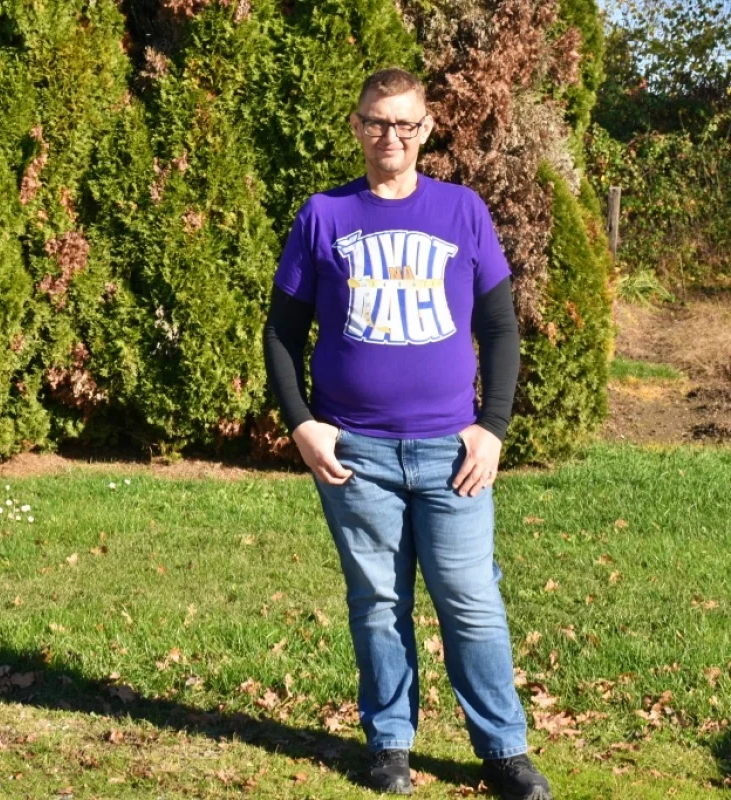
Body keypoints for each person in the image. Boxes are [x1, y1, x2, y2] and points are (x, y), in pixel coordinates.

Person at [262, 67, 552, 800]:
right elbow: (282, 332)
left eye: (404, 123)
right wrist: (302, 425)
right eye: (375, 121)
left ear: (425, 129)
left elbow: (500, 328)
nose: (389, 135)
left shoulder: (462, 211)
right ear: (356, 126)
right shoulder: (324, 216)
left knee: (470, 599)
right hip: (355, 453)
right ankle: (390, 743)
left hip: (453, 451)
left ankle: (504, 751)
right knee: (379, 603)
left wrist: (492, 428)